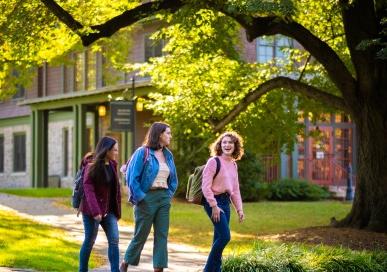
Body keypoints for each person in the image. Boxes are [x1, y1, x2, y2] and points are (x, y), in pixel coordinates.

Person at [120, 122, 178, 272]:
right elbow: (132, 178)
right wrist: (141, 197)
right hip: (146, 198)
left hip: (163, 198)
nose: (170, 136)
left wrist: (168, 194)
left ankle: (158, 269)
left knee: (162, 236)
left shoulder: (168, 154)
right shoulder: (142, 152)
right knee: (141, 235)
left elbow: (173, 178)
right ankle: (125, 263)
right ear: (159, 134)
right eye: (168, 133)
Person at [201, 131, 245, 272]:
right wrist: (214, 206)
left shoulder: (233, 165)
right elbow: (205, 186)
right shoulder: (214, 162)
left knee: (218, 239)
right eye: (224, 142)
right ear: (220, 145)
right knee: (225, 237)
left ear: (235, 146)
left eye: (230, 142)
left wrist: (239, 209)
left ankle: (216, 270)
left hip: (225, 203)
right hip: (213, 202)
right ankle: (208, 270)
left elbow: (235, 190)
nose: (227, 145)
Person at [79, 136, 121, 272]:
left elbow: (115, 189)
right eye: (114, 150)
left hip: (109, 211)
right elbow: (88, 189)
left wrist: (116, 210)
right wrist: (96, 212)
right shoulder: (91, 164)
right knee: (90, 241)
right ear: (107, 150)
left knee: (114, 240)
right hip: (92, 210)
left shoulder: (113, 165)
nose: (116, 152)